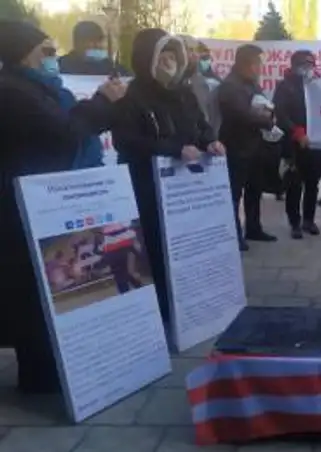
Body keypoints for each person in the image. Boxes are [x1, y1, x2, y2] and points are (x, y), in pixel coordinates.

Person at [0, 19, 126, 393]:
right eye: (45, 51)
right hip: (23, 207)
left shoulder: (41, 89)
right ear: (23, 52)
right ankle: (38, 376)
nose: (52, 57)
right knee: (32, 292)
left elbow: (72, 126)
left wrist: (101, 106)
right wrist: (101, 103)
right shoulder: (11, 92)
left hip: (50, 202)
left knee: (50, 289)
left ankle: (53, 367)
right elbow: (64, 133)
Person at [112, 28, 224, 322]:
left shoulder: (184, 93)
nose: (169, 61)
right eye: (162, 54)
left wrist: (210, 142)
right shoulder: (131, 96)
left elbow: (200, 126)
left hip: (186, 189)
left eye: (173, 54)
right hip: (147, 187)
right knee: (156, 249)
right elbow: (127, 141)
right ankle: (161, 311)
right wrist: (174, 149)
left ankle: (188, 307)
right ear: (147, 58)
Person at [218, 43, 278, 250]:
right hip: (236, 147)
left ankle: (253, 228)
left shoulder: (252, 84)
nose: (260, 67)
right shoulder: (230, 86)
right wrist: (266, 121)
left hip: (254, 147)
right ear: (247, 64)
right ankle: (234, 235)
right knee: (234, 194)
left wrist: (270, 113)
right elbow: (241, 115)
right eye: (257, 63)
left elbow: (263, 105)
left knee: (254, 190)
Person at [273, 50, 321, 238]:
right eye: (304, 64)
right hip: (293, 143)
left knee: (313, 183)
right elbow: (280, 114)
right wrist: (296, 132)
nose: (308, 68)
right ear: (294, 65)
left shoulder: (318, 85)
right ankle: (294, 222)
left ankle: (309, 220)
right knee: (294, 184)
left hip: (314, 143)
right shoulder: (284, 86)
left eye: (311, 64)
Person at [41, 38, 106, 168]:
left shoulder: (64, 95)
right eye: (47, 53)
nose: (52, 58)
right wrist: (102, 101)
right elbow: (68, 133)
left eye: (53, 53)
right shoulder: (19, 97)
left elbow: (89, 140)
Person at [178, 35, 221, 134]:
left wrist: (210, 139)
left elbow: (211, 119)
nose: (195, 55)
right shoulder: (166, 82)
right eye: (190, 50)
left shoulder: (206, 85)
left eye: (195, 50)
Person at [58, 20, 130, 76]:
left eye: (100, 40)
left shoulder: (110, 66)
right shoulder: (60, 66)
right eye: (91, 41)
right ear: (77, 43)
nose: (97, 45)